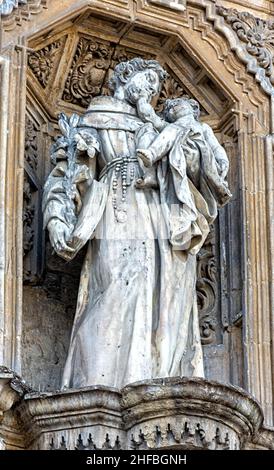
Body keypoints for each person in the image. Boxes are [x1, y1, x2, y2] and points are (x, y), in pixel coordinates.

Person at [43, 58, 230, 390]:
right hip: (116, 213)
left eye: (156, 89)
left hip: (162, 221)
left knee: (167, 299)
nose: (151, 90)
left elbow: (197, 169)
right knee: (116, 285)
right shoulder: (95, 119)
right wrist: (58, 218)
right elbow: (66, 175)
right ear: (124, 78)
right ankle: (98, 384)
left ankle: (158, 379)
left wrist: (188, 147)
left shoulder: (157, 125)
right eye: (146, 81)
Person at [136, 97, 231, 206]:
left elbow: (215, 147)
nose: (173, 108)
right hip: (179, 159)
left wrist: (223, 160)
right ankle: (151, 160)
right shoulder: (169, 127)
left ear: (193, 107)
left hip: (202, 161)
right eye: (169, 109)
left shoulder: (202, 127)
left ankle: (152, 154)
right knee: (165, 129)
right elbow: (151, 118)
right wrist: (141, 99)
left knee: (174, 129)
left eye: (178, 103)